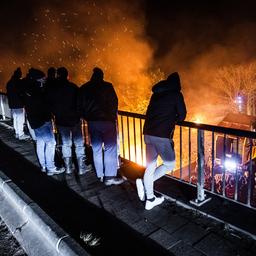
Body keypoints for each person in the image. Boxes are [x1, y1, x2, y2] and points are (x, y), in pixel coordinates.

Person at [136, 72, 187, 210]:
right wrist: (173, 118)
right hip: (162, 135)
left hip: (148, 133)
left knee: (150, 166)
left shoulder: (156, 94)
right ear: (177, 84)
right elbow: (182, 115)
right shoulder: (176, 94)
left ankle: (150, 198)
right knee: (170, 164)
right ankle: (145, 185)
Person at [79, 67, 124, 185]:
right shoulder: (108, 86)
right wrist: (112, 117)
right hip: (107, 122)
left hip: (93, 122)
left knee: (97, 148)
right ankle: (109, 177)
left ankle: (100, 174)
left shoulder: (84, 88)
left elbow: (80, 106)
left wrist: (87, 117)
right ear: (102, 76)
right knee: (110, 148)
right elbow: (115, 102)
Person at [46, 67, 92, 175]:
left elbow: (51, 105)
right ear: (67, 76)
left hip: (61, 121)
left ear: (58, 75)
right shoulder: (73, 87)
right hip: (75, 120)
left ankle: (68, 168)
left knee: (66, 144)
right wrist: (80, 114)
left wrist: (56, 114)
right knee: (79, 144)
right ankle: (81, 168)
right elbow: (80, 102)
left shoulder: (54, 89)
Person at [21, 68, 64, 176]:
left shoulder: (27, 89)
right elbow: (44, 105)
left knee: (40, 143)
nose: (45, 80)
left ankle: (44, 166)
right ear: (37, 79)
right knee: (51, 143)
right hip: (42, 121)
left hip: (34, 121)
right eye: (42, 78)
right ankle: (51, 168)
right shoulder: (37, 91)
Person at [6, 67, 29, 140]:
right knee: (20, 119)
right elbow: (21, 92)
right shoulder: (18, 82)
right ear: (19, 75)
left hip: (12, 104)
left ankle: (17, 133)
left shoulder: (9, 82)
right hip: (18, 104)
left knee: (15, 119)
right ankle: (21, 134)